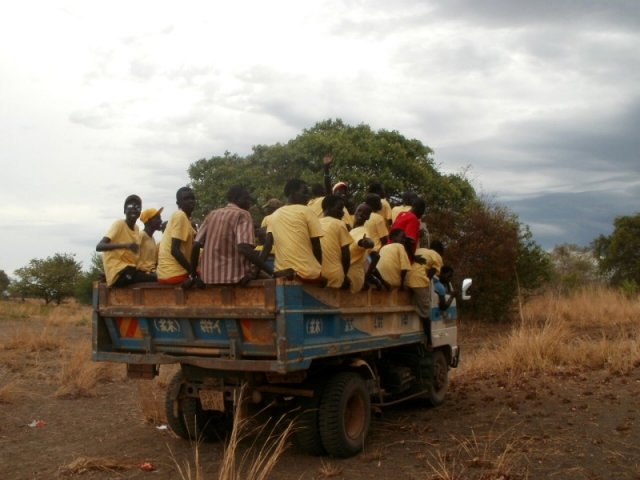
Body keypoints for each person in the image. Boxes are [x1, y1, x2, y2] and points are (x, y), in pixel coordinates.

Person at [192, 186, 275, 285]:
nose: (249, 202)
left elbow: (196, 245)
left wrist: (193, 276)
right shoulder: (243, 214)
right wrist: (271, 272)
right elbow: (243, 247)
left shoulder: (211, 215)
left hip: (208, 278)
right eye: (247, 199)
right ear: (236, 198)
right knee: (274, 281)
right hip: (235, 278)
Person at [262, 179, 324, 283]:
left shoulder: (274, 215)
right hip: (309, 275)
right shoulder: (307, 211)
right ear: (292, 193)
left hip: (283, 275)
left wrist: (256, 271)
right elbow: (316, 245)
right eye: (304, 192)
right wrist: (320, 271)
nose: (307, 196)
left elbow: (267, 246)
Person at [96, 194, 156, 287]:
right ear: (124, 210)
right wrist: (125, 245)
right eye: (130, 206)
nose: (134, 209)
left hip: (129, 270)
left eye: (137, 207)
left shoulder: (136, 228)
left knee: (149, 275)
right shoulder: (119, 224)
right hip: (119, 272)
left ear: (140, 212)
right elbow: (99, 246)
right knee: (154, 278)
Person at [157, 187, 200, 286]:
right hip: (174, 273)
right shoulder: (179, 215)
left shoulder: (186, 220)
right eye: (186, 199)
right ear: (178, 203)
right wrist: (193, 274)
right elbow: (174, 250)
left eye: (192, 198)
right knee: (207, 276)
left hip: (166, 273)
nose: (191, 201)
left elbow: (199, 240)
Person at [319, 194, 353, 289]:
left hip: (318, 276)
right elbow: (346, 255)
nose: (343, 213)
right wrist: (345, 276)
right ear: (328, 208)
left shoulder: (315, 224)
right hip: (335, 275)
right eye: (340, 209)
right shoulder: (340, 224)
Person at [347, 203, 375, 292]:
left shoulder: (362, 231)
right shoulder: (352, 230)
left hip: (351, 277)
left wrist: (367, 242)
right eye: (359, 211)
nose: (361, 214)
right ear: (355, 211)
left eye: (365, 213)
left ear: (368, 217)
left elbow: (366, 241)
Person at [137, 207, 164, 276]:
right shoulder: (141, 235)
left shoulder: (152, 238)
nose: (161, 221)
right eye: (158, 218)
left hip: (152, 271)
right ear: (148, 221)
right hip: (144, 272)